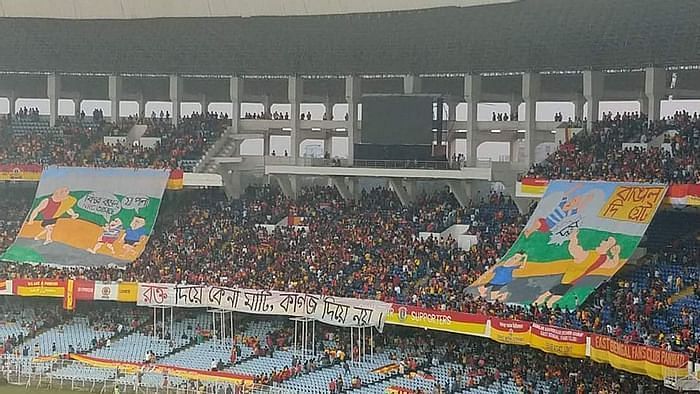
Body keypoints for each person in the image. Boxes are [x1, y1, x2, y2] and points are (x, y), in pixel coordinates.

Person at [534, 229, 622, 307]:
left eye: (606, 241)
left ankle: (537, 307)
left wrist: (573, 238)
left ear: (607, 246)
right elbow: (613, 264)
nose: (602, 242)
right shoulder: (602, 258)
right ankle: (540, 308)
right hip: (569, 282)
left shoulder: (592, 256)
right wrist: (616, 254)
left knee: (548, 296)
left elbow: (574, 249)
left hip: (567, 281)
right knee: (550, 299)